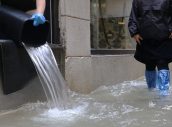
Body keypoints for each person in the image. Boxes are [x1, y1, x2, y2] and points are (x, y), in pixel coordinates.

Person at [128, 0, 172, 96]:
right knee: (149, 64)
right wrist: (134, 32)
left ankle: (163, 94)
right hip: (145, 38)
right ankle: (151, 91)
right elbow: (133, 16)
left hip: (164, 38)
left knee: (162, 63)